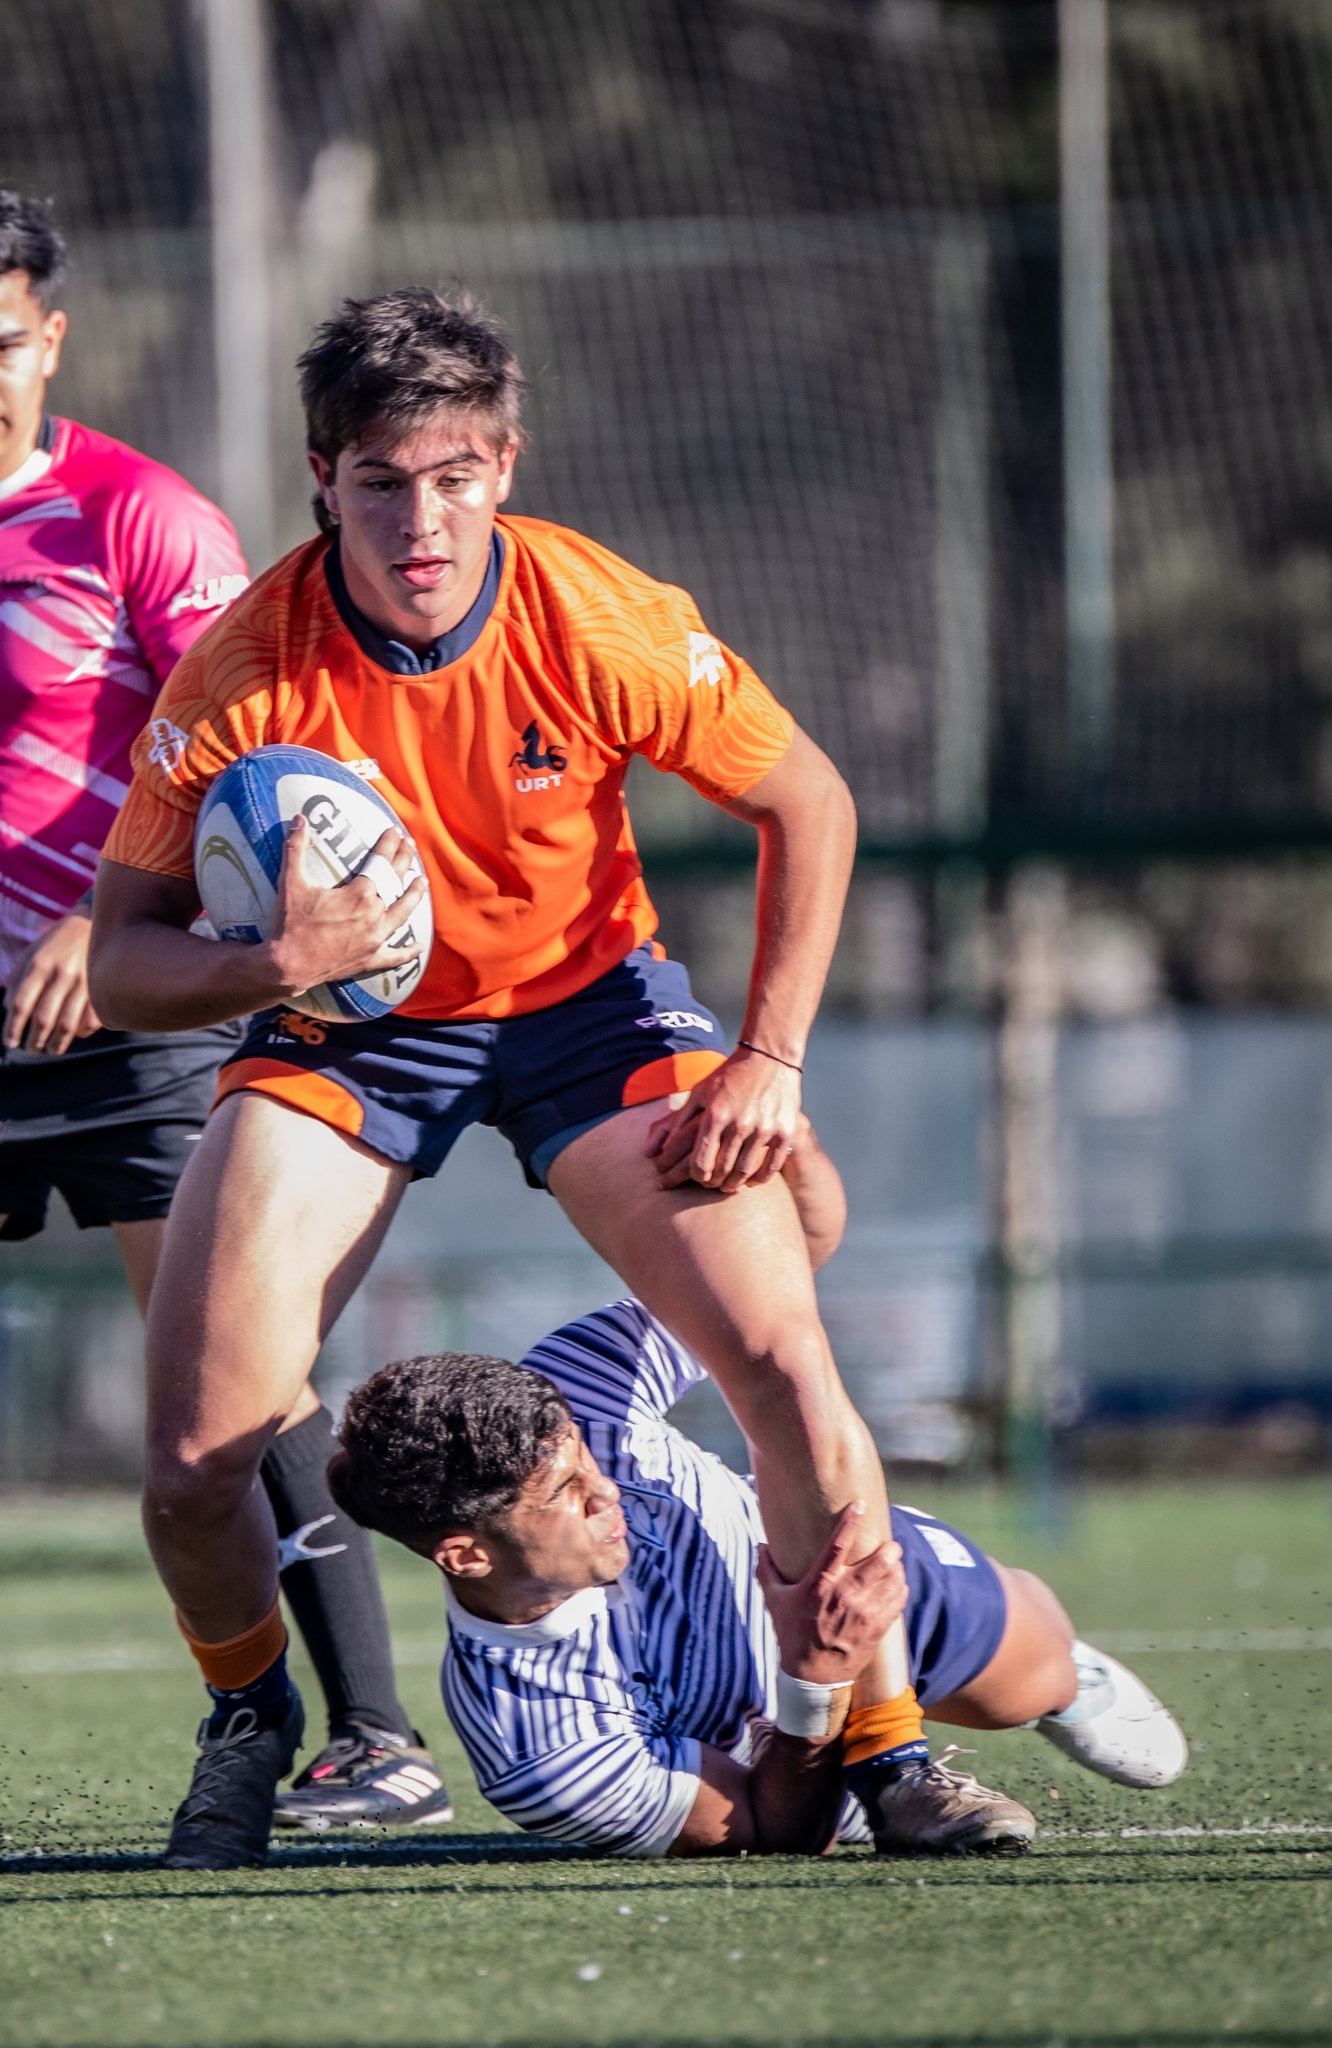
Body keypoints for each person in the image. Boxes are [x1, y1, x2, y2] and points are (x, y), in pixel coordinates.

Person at [88, 285, 1027, 1866]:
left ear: (505, 465)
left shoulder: (594, 614)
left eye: (454, 476)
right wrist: (274, 963)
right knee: (193, 1463)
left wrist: (768, 1060)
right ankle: (250, 1722)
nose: (420, 519)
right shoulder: (244, 671)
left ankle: (886, 1751)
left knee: (787, 1370)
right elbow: (121, 963)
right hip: (345, 1031)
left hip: (590, 1011)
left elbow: (810, 804)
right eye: (381, 481)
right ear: (322, 478)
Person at [0, 186, 447, 1829]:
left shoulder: (145, 517)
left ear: (49, 339)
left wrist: (100, 920)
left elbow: (251, 746)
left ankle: (370, 1730)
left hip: (143, 1016)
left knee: (241, 1385)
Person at [326, 1141, 1187, 1857]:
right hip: (794, 1733)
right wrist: (814, 1676)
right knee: (857, 1815)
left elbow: (779, 1266)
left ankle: (1065, 1678)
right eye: (566, 1494)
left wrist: (791, 1143)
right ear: (466, 1554)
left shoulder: (577, 1387)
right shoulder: (537, 1745)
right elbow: (774, 1832)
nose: (606, 1493)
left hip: (851, 1567)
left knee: (1033, 1673)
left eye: (589, 1463)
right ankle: (892, 1762)